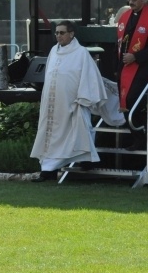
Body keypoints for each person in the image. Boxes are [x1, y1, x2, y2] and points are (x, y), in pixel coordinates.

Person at [30, 20, 108, 182]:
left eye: (62, 33)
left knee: (77, 132)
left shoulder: (81, 53)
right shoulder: (54, 50)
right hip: (53, 105)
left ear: (71, 34)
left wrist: (82, 97)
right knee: (50, 135)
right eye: (56, 33)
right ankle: (48, 170)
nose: (58, 36)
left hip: (72, 104)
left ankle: (85, 161)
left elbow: (89, 77)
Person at [117, 0, 148, 150]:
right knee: (124, 101)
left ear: (144, 0)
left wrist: (136, 56)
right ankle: (137, 138)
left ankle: (141, 135)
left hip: (143, 67)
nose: (131, 2)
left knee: (132, 99)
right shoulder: (125, 16)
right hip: (125, 66)